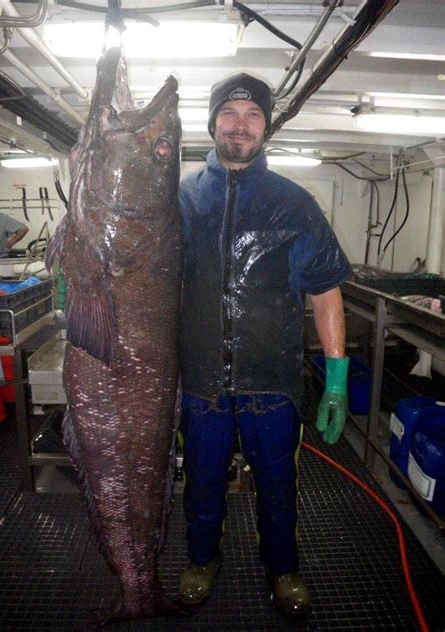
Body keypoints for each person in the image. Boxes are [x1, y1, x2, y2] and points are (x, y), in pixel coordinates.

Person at [177, 73, 352, 616]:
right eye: (229, 113)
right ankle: (203, 560)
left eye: (253, 115)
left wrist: (337, 382)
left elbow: (325, 293)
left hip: (272, 385)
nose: (240, 124)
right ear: (212, 123)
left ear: (267, 127)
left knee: (278, 490)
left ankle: (282, 568)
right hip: (202, 383)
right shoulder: (179, 201)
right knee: (202, 486)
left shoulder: (295, 205)